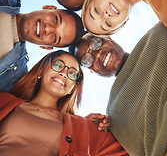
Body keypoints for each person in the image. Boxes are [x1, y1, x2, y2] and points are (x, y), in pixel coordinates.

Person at [71, 22, 167, 155]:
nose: (97, 55)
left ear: (109, 37)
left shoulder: (159, 33)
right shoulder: (111, 115)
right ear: (93, 71)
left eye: (96, 43)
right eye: (87, 60)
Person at [0, 50, 129, 156]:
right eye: (58, 65)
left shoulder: (85, 129)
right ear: (43, 70)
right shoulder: (4, 100)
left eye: (72, 73)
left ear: (72, 88)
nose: (63, 73)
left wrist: (105, 128)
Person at [0, 0, 84, 92]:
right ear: (49, 8)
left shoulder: (16, 78)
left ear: (46, 47)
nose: (48, 29)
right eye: (56, 20)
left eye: (55, 37)